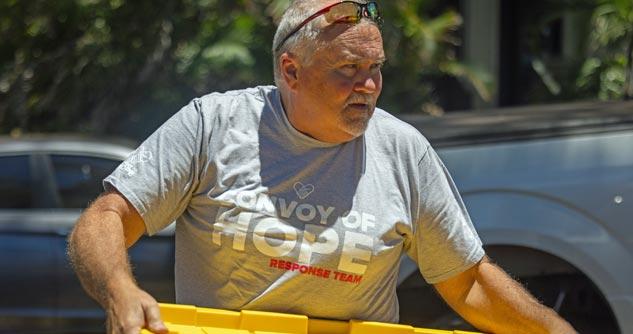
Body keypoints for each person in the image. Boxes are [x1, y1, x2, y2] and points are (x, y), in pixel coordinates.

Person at [67, 1, 577, 333]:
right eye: (348, 70)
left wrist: (551, 329)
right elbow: (106, 216)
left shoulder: (404, 150)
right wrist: (120, 291)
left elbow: (466, 282)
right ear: (291, 70)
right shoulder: (214, 125)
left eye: (375, 69)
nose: (369, 86)